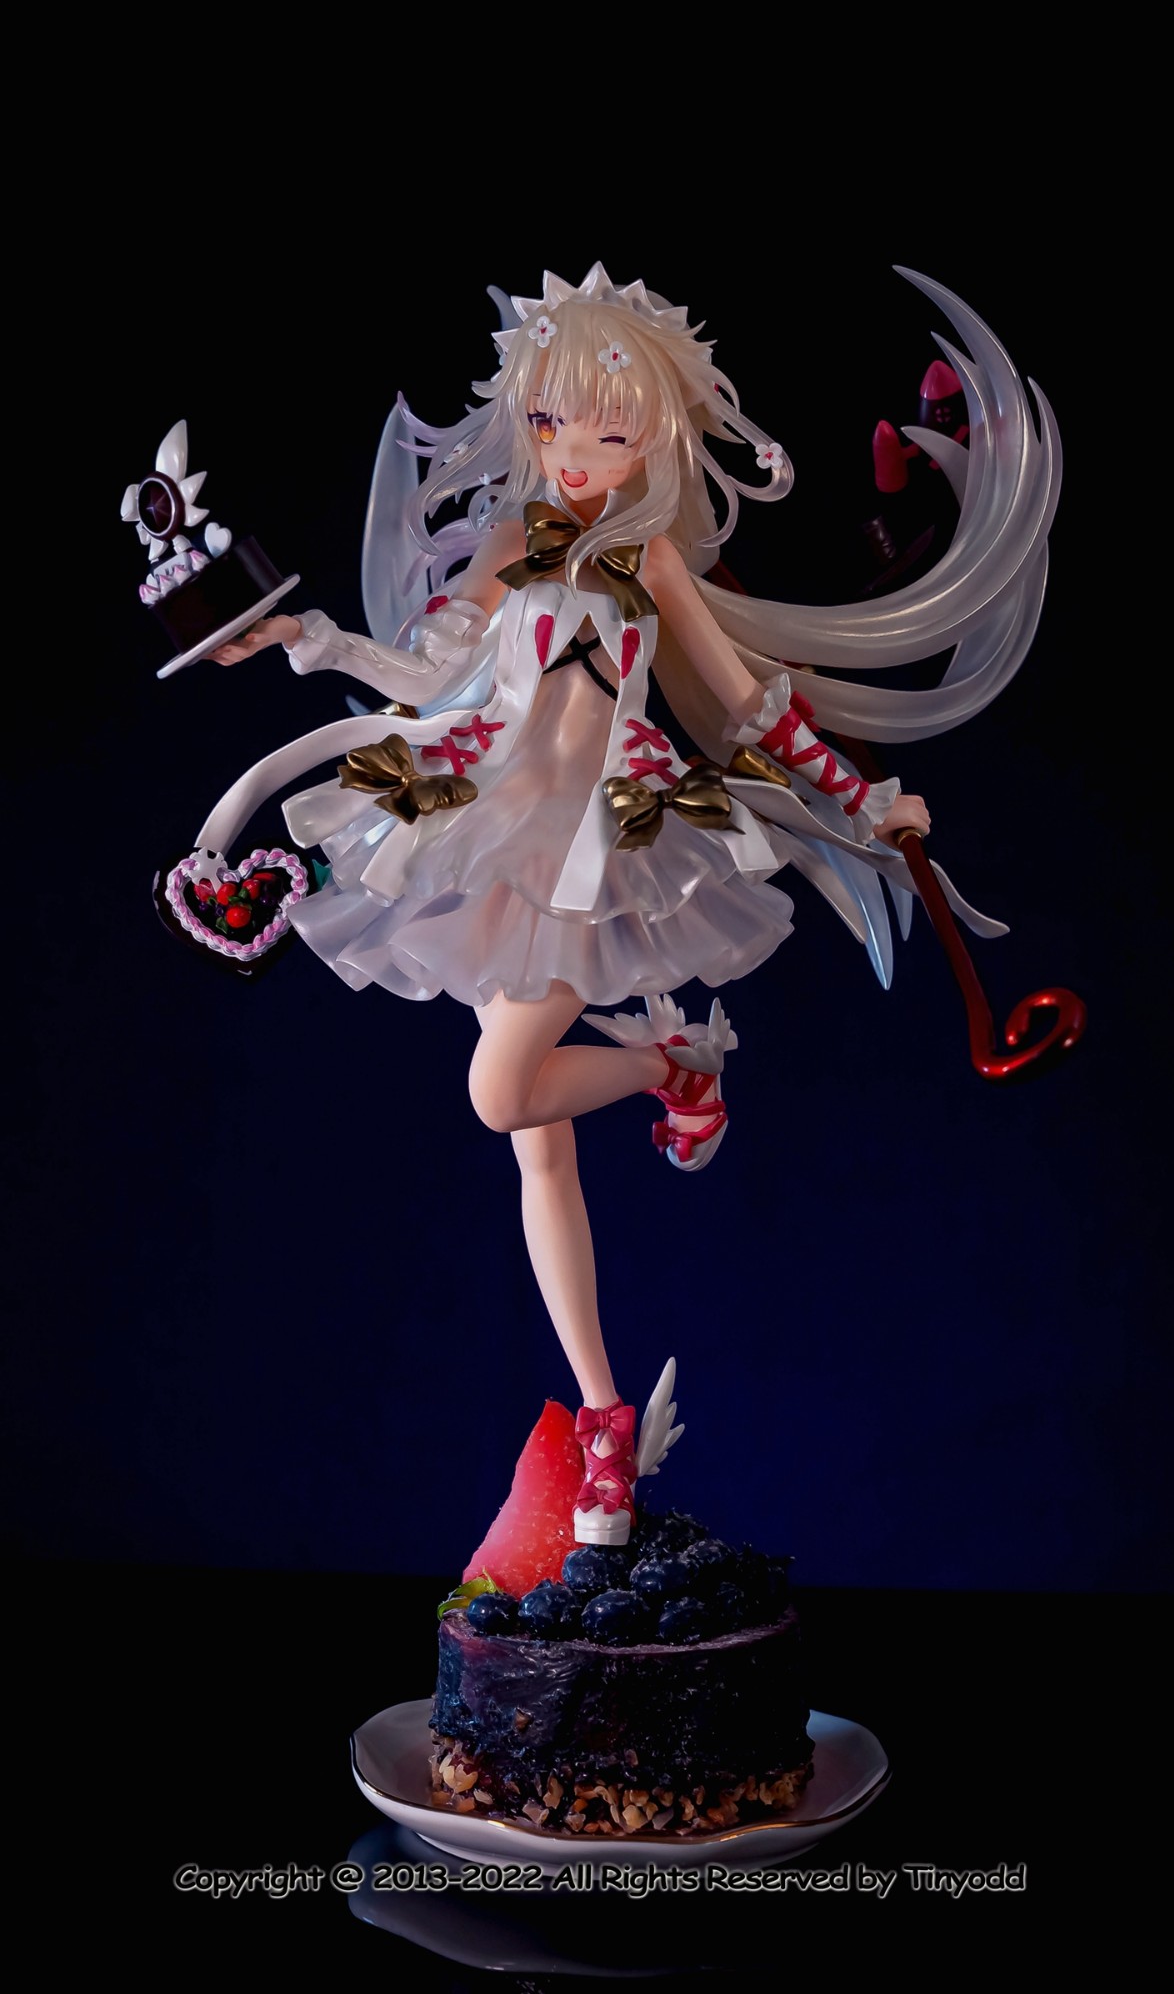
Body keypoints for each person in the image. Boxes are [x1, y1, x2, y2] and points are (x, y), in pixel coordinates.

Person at [190, 263, 1060, 1545]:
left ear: (655, 435)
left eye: (607, 429)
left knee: (501, 1093)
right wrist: (309, 641)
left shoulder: (650, 558)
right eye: (551, 422)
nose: (574, 451)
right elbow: (427, 670)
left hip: (600, 845)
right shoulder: (510, 543)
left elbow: (753, 711)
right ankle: (604, 1422)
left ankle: (670, 1063)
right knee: (534, 1145)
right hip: (483, 829)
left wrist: (867, 800)